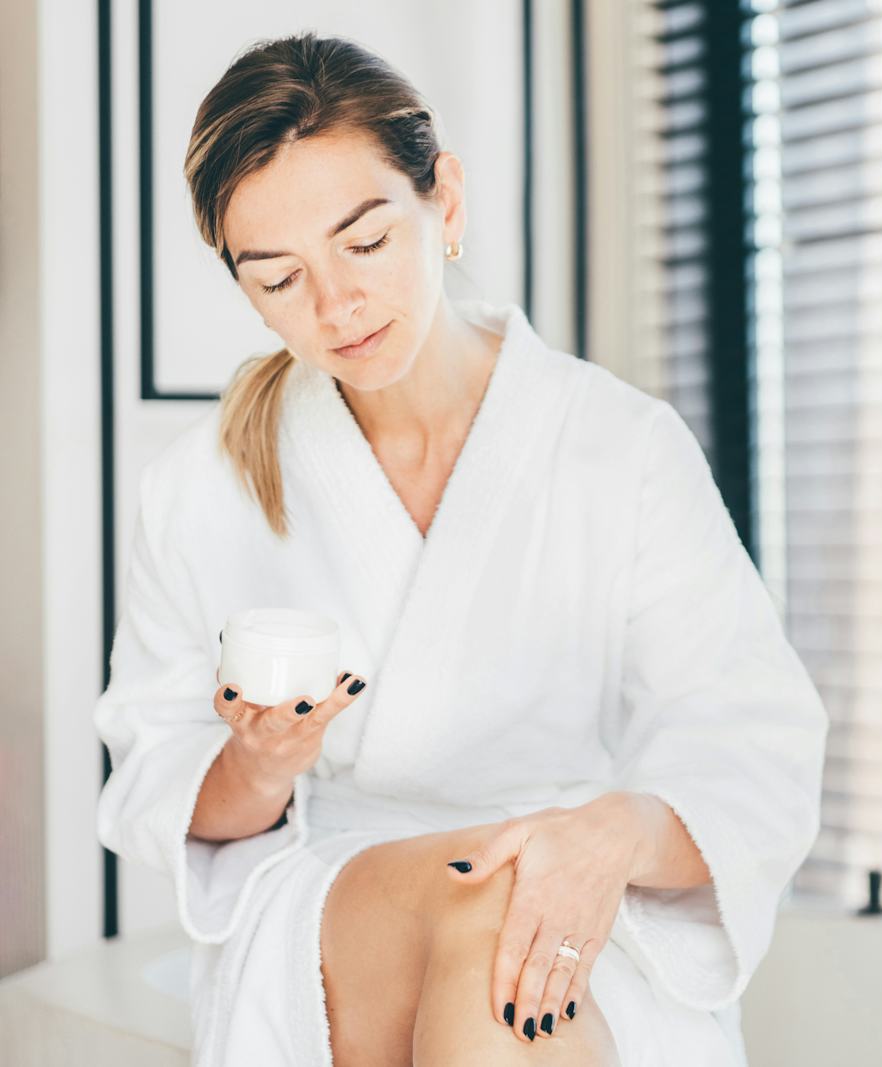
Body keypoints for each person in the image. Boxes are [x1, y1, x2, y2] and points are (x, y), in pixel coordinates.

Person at [92, 30, 828, 1067]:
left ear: (444, 200)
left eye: (363, 240)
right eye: (278, 277)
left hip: (581, 893)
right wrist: (256, 764)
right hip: (334, 901)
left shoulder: (618, 445)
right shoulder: (201, 485)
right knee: (488, 921)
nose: (336, 305)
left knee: (503, 945)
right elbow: (160, 782)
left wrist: (613, 832)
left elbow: (748, 739)